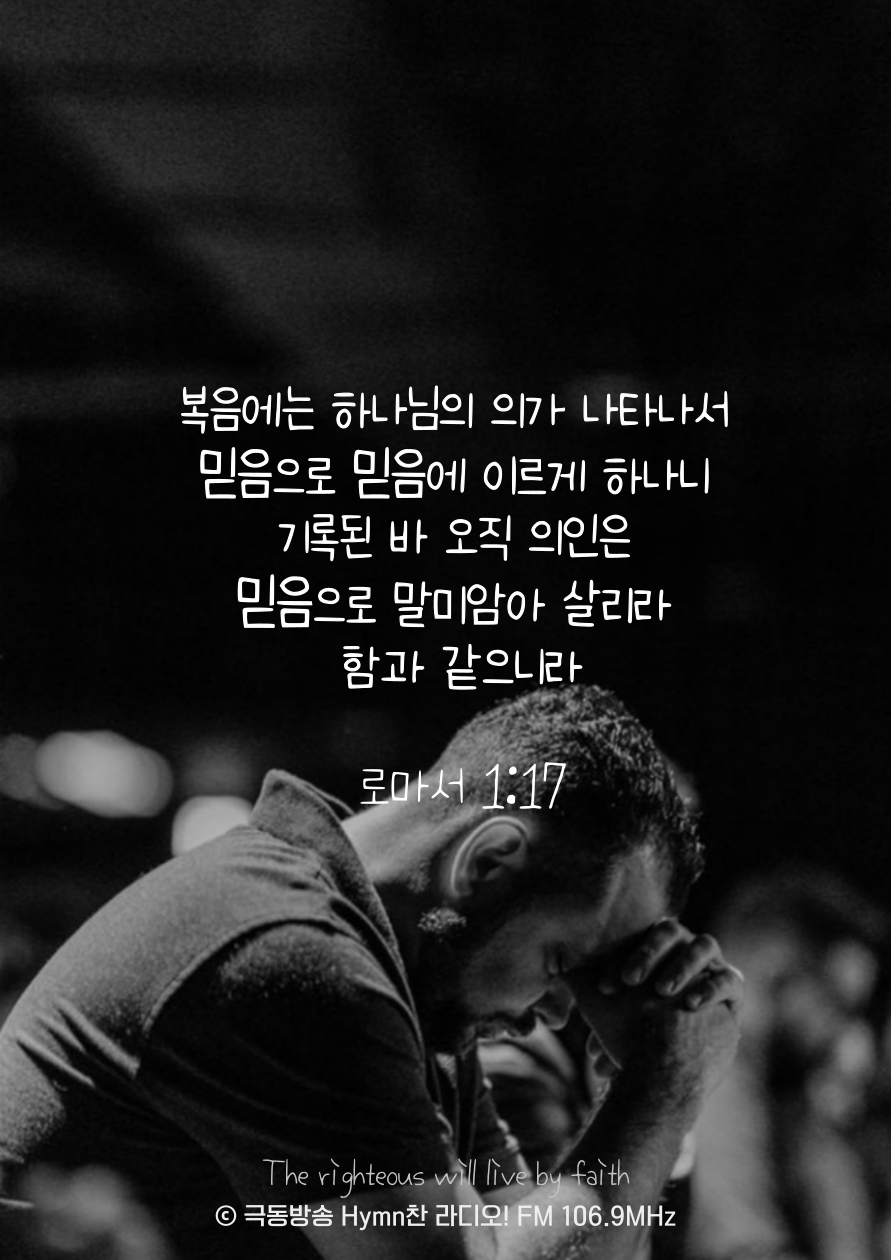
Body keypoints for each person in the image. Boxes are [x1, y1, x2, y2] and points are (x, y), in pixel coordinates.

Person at [0, 684, 742, 1260]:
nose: (555, 1013)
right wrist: (663, 1085)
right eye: (561, 963)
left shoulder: (405, 982)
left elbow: (541, 1245)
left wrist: (643, 1096)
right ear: (487, 863)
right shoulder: (290, 950)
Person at [686, 864, 886, 1260]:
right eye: (839, 1004)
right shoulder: (712, 1071)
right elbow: (744, 1251)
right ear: (779, 973)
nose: (849, 1036)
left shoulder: (766, 1085)